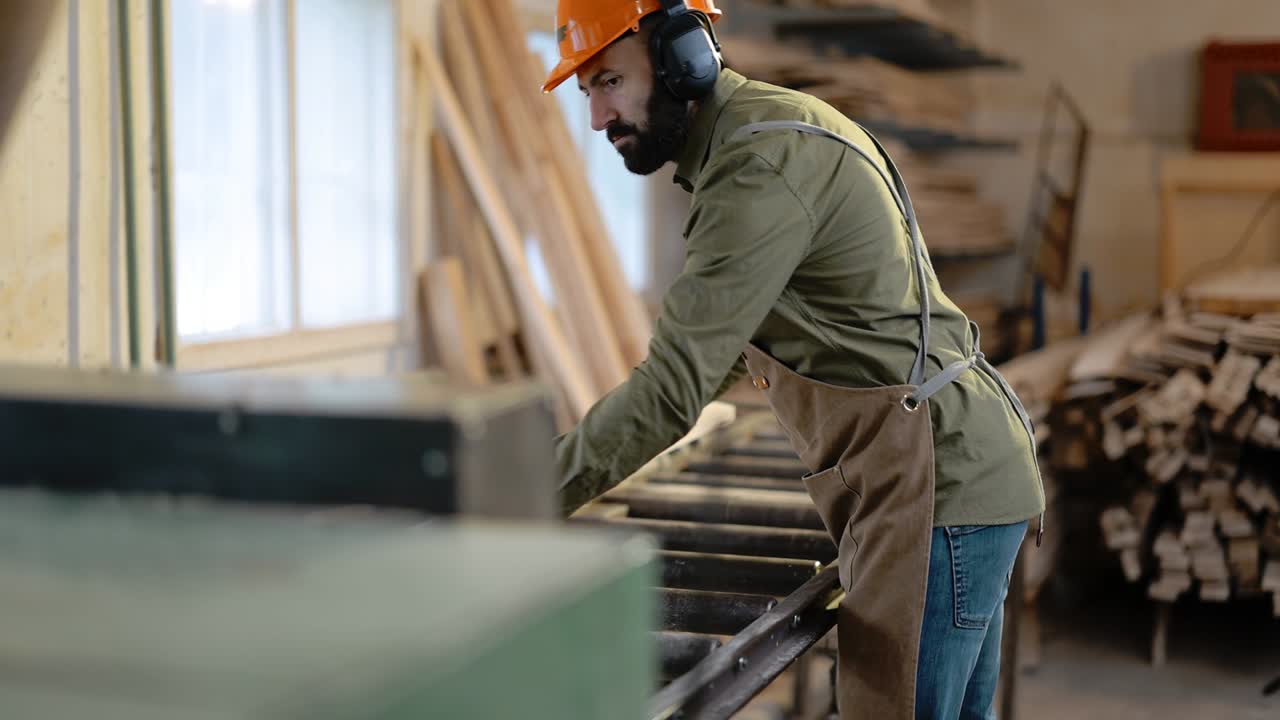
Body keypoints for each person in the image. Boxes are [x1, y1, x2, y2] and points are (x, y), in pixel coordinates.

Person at [542, 1, 1046, 718]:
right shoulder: (762, 136)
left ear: (683, 56)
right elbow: (711, 357)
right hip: (949, 477)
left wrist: (531, 500)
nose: (597, 117)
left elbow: (671, 390)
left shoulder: (756, 164)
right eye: (587, 91)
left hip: (937, 487)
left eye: (608, 82)